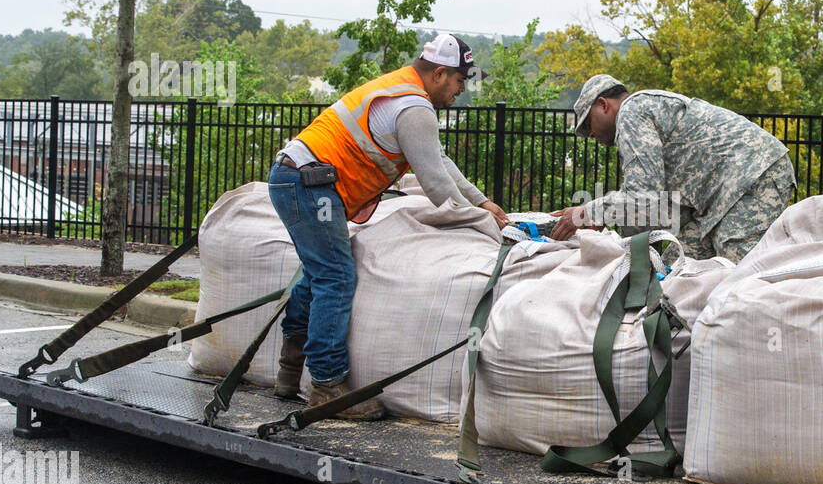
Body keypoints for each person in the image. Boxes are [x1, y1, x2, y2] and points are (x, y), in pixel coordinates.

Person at [268, 33, 508, 419]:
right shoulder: (413, 106)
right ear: (440, 73)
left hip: (296, 178)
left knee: (318, 273)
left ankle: (290, 367)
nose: (461, 90)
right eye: (460, 81)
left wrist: (481, 201)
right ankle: (327, 386)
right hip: (309, 186)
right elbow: (436, 185)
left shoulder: (403, 91)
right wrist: (479, 221)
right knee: (336, 275)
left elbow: (438, 160)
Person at [550, 74, 795, 261]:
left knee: (735, 268)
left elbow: (643, 197)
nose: (590, 134)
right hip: (719, 199)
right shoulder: (643, 114)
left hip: (754, 174)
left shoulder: (631, 111)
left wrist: (586, 213)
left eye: (588, 124)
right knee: (676, 268)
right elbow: (654, 205)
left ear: (603, 105)